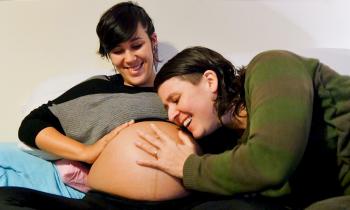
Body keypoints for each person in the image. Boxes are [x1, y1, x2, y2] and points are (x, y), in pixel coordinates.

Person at [0, 2, 206, 209]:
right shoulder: (97, 88)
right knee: (6, 198)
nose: (130, 58)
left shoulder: (179, 88)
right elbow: (32, 125)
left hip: (185, 202)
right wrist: (85, 152)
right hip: (106, 204)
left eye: (136, 46)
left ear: (152, 41)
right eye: (118, 51)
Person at [134, 46, 350, 209]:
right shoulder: (237, 145)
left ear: (210, 81)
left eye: (176, 99)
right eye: (167, 108)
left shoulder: (271, 66)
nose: (171, 115)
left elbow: (270, 161)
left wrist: (188, 167)